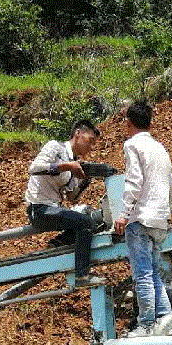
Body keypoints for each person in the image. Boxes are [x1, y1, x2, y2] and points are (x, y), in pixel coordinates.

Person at [114, 101, 172, 338]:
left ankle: (146, 324)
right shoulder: (160, 148)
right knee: (153, 273)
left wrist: (123, 214)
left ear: (128, 123)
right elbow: (171, 186)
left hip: (140, 219)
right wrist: (166, 211)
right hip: (160, 220)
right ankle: (165, 319)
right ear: (150, 123)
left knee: (142, 274)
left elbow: (134, 182)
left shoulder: (132, 145)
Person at [25, 120, 104, 288]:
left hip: (54, 209)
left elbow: (72, 197)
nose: (91, 147)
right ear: (78, 134)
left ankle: (57, 244)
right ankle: (82, 276)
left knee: (94, 220)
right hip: (38, 208)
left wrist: (85, 179)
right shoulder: (55, 147)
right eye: (90, 141)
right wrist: (67, 166)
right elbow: (35, 168)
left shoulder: (74, 162)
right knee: (85, 223)